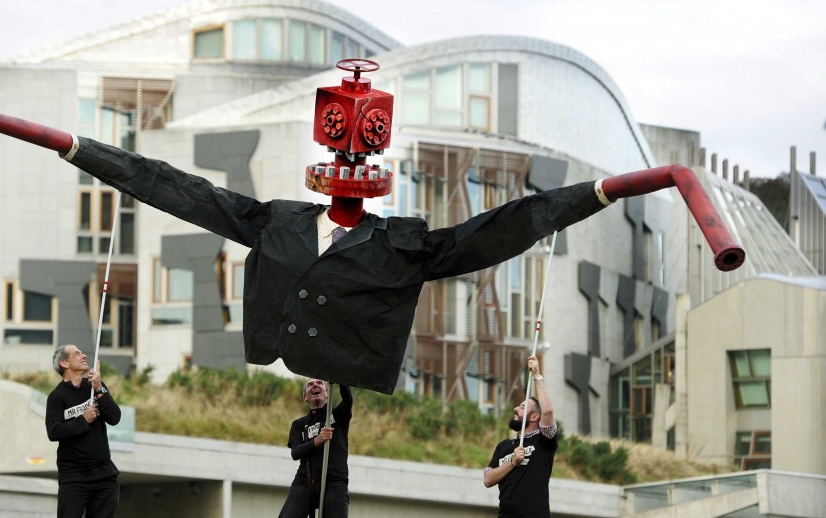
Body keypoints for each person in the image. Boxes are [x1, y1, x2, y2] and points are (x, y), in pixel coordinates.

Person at [63, 135, 612, 394]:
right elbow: (183, 190)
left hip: (349, 360)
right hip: (284, 352)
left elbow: (496, 230)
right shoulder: (277, 221)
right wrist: (82, 152)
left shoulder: (399, 244)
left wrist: (597, 194)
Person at [464, 354, 555, 518]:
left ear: (534, 417)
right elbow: (488, 479)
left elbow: (548, 412)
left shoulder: (544, 441)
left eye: (523, 406)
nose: (516, 408)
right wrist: (512, 463)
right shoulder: (504, 446)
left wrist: (537, 376)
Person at [257, 379, 353, 518]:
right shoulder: (299, 425)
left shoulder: (337, 416)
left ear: (327, 394)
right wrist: (317, 441)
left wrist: (341, 376)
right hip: (305, 483)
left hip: (334, 483)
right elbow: (296, 452)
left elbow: (348, 399)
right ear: (305, 397)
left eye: (320, 384)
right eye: (310, 385)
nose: (315, 386)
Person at [45, 343, 122, 518]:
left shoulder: (95, 387)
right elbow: (54, 431)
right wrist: (83, 420)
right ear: (64, 363)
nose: (84, 355)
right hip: (74, 477)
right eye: (77, 353)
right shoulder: (57, 397)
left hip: (104, 474)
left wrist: (100, 388)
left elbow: (115, 417)